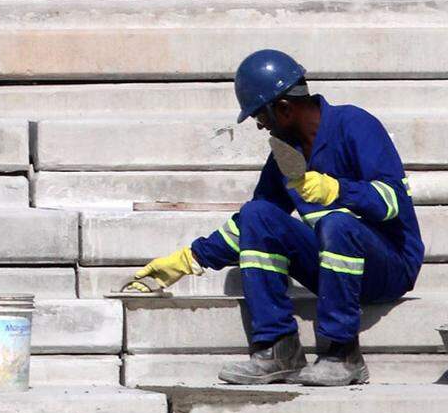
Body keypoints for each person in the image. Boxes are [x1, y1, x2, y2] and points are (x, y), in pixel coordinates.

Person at [128, 49, 424, 386]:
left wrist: (336, 191)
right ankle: (279, 349)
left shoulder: (355, 124)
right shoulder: (287, 153)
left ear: (283, 108)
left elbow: (393, 201)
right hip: (336, 264)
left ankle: (342, 353)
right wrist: (188, 260)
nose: (259, 124)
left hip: (390, 266)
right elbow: (256, 224)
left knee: (336, 223)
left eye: (260, 115)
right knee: (258, 214)